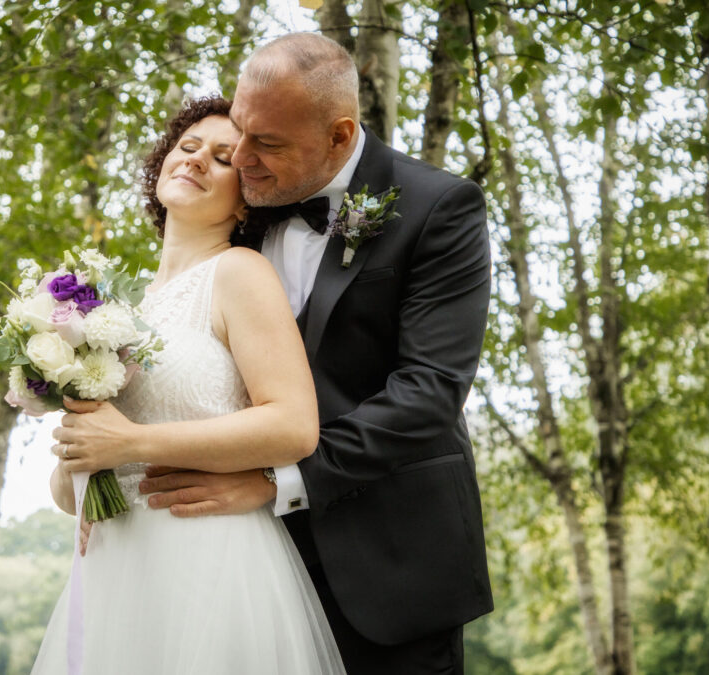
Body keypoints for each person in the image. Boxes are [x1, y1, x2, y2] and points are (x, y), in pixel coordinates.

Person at [137, 33, 494, 673]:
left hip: (389, 564)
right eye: (239, 132)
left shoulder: (439, 208)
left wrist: (278, 482)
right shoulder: (245, 206)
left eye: (266, 143)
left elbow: (429, 391)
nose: (241, 157)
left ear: (338, 136)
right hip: (241, 568)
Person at [31, 96, 346, 674]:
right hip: (113, 570)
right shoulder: (112, 312)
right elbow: (66, 491)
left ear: (247, 195)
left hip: (208, 559)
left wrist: (132, 445)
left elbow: (293, 425)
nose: (198, 161)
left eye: (223, 159)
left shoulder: (239, 274)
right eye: (189, 146)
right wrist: (80, 449)